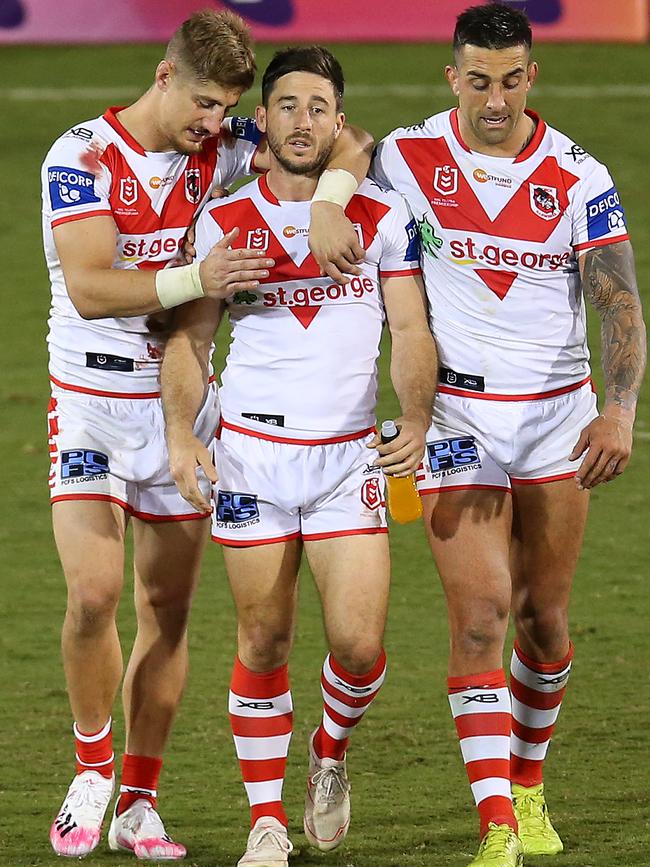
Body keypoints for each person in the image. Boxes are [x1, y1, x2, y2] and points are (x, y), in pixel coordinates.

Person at [42, 10, 374, 860]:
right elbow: (87, 285)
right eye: (201, 103)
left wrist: (332, 197)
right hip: (89, 403)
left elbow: (347, 138)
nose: (212, 124)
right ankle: (90, 766)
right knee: (93, 592)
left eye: (225, 108)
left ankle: (140, 800)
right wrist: (198, 273)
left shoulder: (222, 146)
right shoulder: (80, 157)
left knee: (168, 608)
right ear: (162, 77)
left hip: (182, 412)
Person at [371, 4, 646, 866]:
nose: (496, 99)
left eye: (512, 79)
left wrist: (621, 408)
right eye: (479, 80)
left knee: (544, 620)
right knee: (482, 615)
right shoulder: (406, 156)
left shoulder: (577, 175)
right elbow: (311, 145)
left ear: (533, 77)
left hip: (561, 421)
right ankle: (497, 822)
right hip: (457, 417)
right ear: (453, 77)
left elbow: (619, 300)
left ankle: (528, 783)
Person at [160, 46, 438, 867]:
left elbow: (413, 329)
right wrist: (182, 436)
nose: (303, 120)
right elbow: (191, 339)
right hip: (252, 458)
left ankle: (329, 751)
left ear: (338, 120)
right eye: (286, 105)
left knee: (356, 645)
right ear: (265, 120)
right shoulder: (223, 220)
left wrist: (415, 417)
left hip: (350, 459)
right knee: (263, 639)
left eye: (319, 106)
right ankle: (264, 821)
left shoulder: (381, 218)